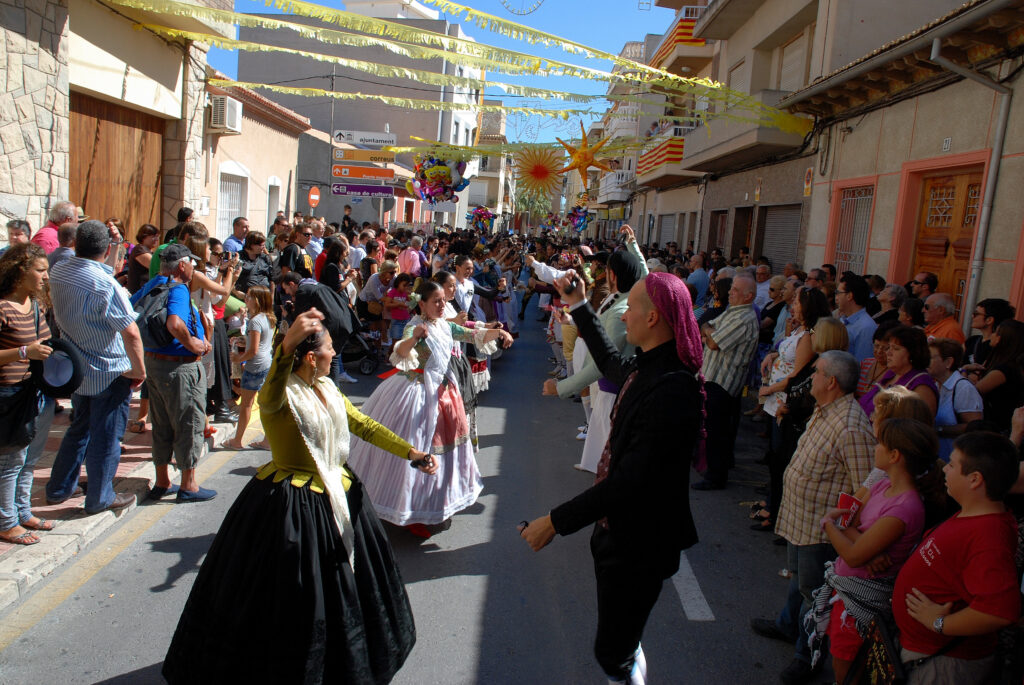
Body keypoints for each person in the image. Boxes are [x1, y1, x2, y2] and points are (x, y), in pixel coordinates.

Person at [162, 309, 436, 684]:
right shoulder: (279, 395)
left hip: (339, 494)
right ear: (310, 357)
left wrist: (412, 453)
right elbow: (274, 379)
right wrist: (285, 344)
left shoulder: (326, 387)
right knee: (292, 599)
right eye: (329, 347)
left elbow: (362, 424)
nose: (335, 353)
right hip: (290, 504)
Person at [521, 271, 704, 685]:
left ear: (654, 318)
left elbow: (628, 483)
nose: (623, 318)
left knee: (611, 651)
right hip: (622, 537)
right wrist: (580, 306)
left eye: (631, 310)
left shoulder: (673, 389)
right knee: (622, 641)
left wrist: (553, 522)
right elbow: (611, 364)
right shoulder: (652, 368)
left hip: (641, 544)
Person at [345, 280, 512, 538]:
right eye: (436, 300)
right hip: (416, 393)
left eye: (443, 300)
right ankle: (411, 508)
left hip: (444, 393)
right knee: (417, 449)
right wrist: (413, 338)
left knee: (447, 451)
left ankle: (435, 502)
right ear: (421, 303)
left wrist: (499, 333)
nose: (441, 304)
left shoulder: (444, 325)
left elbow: (472, 335)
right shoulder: (415, 326)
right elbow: (398, 351)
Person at [751, 350, 876, 685]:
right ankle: (787, 624)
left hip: (822, 531)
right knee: (799, 580)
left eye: (817, 372)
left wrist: (849, 535)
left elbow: (864, 488)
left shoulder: (851, 426)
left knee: (813, 592)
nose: (811, 379)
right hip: (801, 519)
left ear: (831, 382)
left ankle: (807, 656)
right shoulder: (825, 411)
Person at [809, 418, 936, 682]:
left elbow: (853, 553)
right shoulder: (882, 486)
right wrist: (864, 545)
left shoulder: (904, 507)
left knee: (847, 673)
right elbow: (853, 525)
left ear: (894, 455)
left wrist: (829, 524)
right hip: (848, 593)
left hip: (860, 606)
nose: (875, 448)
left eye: (880, 443)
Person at [893, 431, 1021, 684]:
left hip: (943, 664)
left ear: (975, 479)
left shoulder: (989, 536)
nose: (944, 469)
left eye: (952, 464)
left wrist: (941, 623)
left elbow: (1001, 612)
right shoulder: (972, 515)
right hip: (924, 651)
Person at [45, 221, 146, 514]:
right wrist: (139, 371)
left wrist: (114, 244)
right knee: (106, 436)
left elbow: (101, 269)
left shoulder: (60, 271)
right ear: (103, 249)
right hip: (109, 370)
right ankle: (100, 496)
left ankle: (59, 488)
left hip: (77, 368)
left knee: (79, 428)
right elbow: (131, 333)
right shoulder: (105, 285)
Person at [543, 233, 647, 473]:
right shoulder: (618, 297)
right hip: (607, 382)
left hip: (612, 386)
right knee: (599, 432)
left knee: (607, 438)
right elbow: (597, 329)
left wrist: (561, 387)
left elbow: (604, 361)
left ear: (612, 275)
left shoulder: (623, 306)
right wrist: (570, 320)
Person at [131, 243, 215, 503]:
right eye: (191, 263)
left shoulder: (153, 284)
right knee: (189, 423)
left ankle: (162, 480)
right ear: (181, 265)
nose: (194, 268)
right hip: (180, 367)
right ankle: (188, 485)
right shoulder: (177, 288)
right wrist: (194, 344)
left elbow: (130, 312)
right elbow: (175, 323)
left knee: (162, 424)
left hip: (154, 363)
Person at [0, 243, 56, 545]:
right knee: (9, 462)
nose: (45, 277)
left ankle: (22, 512)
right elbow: (26, 350)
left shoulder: (35, 306)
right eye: (40, 270)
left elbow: (45, 343)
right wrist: (24, 351)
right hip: (7, 395)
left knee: (29, 458)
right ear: (20, 270)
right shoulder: (2, 307)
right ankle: (6, 522)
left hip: (33, 392)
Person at [694, 274, 759, 490]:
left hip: (723, 382)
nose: (730, 292)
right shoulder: (733, 312)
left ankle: (716, 475)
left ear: (749, 296)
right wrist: (710, 332)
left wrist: (710, 333)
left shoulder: (744, 318)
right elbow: (707, 325)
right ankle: (714, 467)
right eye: (731, 289)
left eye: (736, 290)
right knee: (714, 429)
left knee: (717, 432)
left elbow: (713, 342)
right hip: (713, 377)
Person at [225, 286, 274, 450]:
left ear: (257, 301)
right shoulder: (268, 318)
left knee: (246, 404)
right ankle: (267, 440)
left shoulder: (255, 321)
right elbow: (261, 343)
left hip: (255, 366)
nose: (246, 299)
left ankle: (237, 440)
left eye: (249, 296)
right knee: (265, 404)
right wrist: (243, 342)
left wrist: (239, 358)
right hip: (267, 364)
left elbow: (253, 350)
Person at [859, 325, 938, 418]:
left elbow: (917, 427)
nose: (888, 353)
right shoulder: (891, 374)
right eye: (889, 347)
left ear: (913, 353)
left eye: (896, 349)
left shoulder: (921, 387)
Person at [963, 319, 1024, 433]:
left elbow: (972, 393)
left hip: (997, 427)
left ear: (1004, 339)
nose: (992, 335)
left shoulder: (1004, 370)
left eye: (996, 332)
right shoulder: (999, 363)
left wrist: (964, 371)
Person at [928, 338, 983, 462]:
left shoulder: (963, 388)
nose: (925, 361)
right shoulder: (936, 386)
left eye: (930, 358)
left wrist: (938, 430)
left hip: (957, 461)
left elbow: (975, 427)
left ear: (948, 362)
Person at [836, 272, 877, 363]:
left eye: (838, 293)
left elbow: (862, 364)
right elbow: (819, 336)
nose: (836, 297)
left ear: (849, 296)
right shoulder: (842, 319)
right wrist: (808, 329)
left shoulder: (866, 327)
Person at [964, 298, 1014, 365]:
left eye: (976, 314)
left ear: (989, 320)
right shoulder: (972, 340)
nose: (972, 316)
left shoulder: (998, 348)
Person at [125, 224, 160, 294]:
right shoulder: (139, 250)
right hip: (138, 295)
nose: (157, 239)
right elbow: (155, 266)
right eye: (153, 236)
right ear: (144, 237)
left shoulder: (150, 251)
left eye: (157, 237)